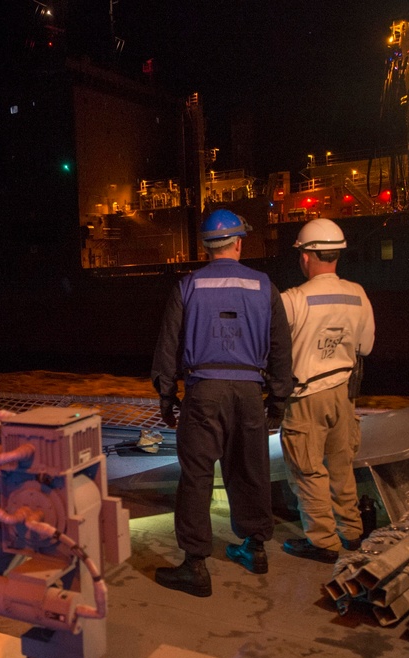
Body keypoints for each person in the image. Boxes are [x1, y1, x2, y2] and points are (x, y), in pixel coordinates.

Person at [151, 209, 293, 597]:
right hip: (249, 393)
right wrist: (277, 403)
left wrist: (167, 398)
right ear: (239, 242)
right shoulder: (265, 287)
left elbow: (168, 347)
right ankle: (256, 547)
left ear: (206, 246)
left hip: (203, 392)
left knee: (196, 475)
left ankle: (195, 566)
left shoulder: (188, 286)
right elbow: (281, 351)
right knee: (250, 469)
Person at [279, 218, 375, 563]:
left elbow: (272, 350)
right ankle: (350, 532)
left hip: (306, 396)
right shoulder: (358, 294)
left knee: (308, 470)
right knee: (340, 465)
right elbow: (365, 347)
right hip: (344, 394)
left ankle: (322, 541)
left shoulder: (292, 299)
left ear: (305, 257)